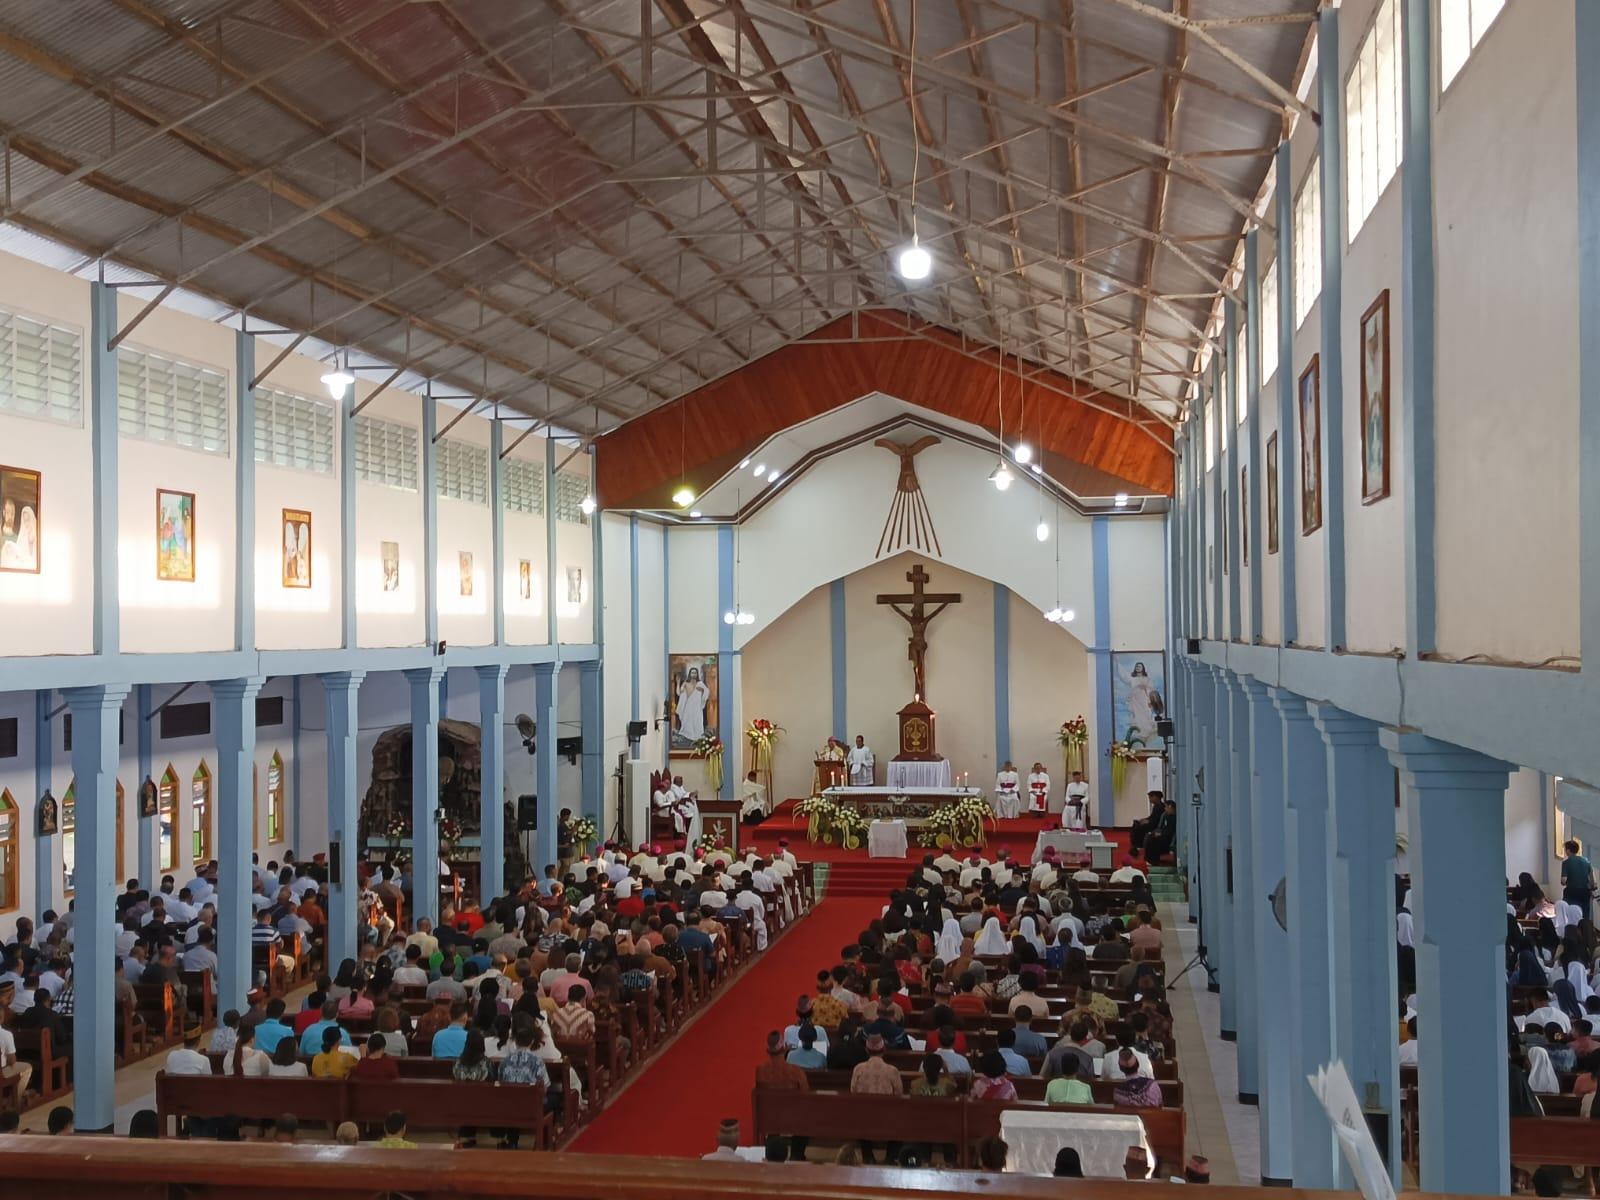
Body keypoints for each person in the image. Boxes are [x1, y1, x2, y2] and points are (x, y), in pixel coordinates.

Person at [1561, 840, 1593, 922]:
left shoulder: (1566, 863)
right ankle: (1585, 931)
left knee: (1570, 913)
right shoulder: (1586, 861)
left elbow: (1563, 881)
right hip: (1585, 892)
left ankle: (1571, 930)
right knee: (1585, 914)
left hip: (1572, 892)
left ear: (1568, 850)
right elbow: (1593, 880)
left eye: (1565, 849)